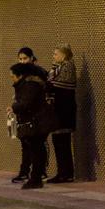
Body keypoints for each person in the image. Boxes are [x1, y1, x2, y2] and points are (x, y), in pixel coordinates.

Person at [10, 47, 48, 183]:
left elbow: (29, 99)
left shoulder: (35, 76)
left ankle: (36, 172)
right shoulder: (23, 75)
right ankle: (28, 171)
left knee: (36, 146)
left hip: (35, 117)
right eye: (20, 59)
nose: (22, 61)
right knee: (27, 144)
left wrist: (17, 105)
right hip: (26, 115)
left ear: (32, 58)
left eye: (25, 58)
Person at [47, 44, 77, 183]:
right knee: (58, 141)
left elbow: (59, 86)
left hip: (64, 110)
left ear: (63, 56)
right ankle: (63, 172)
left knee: (62, 142)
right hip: (58, 110)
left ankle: (65, 173)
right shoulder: (57, 69)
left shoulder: (67, 68)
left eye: (56, 54)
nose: (53, 56)